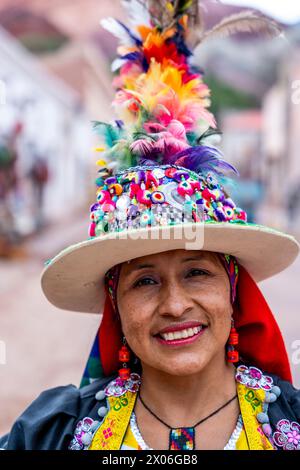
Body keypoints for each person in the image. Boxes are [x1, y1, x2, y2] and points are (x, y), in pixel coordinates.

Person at [1, 0, 299, 451]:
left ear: (233, 287)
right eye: (144, 281)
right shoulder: (47, 435)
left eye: (197, 272)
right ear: (114, 303)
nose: (175, 305)